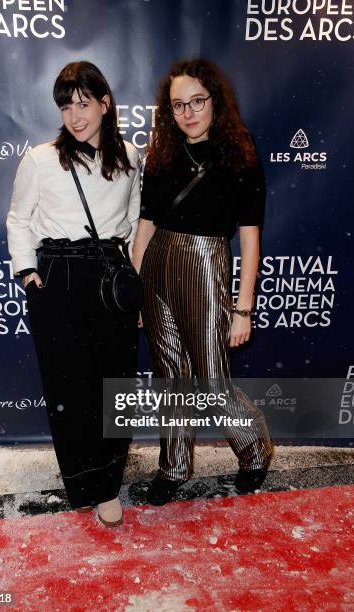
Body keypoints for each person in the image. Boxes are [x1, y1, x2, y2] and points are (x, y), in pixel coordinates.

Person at [132, 58, 274, 506]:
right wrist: (136, 290)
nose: (188, 112)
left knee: (211, 381)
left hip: (205, 263)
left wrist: (242, 307)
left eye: (197, 101)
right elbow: (146, 227)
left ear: (215, 100)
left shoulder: (240, 153)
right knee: (170, 376)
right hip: (157, 264)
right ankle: (172, 467)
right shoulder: (164, 152)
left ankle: (255, 450)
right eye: (178, 105)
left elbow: (250, 239)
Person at [7, 61, 141, 526]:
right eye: (66, 105)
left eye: (84, 103)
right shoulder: (41, 159)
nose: (75, 115)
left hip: (111, 275)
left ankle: (108, 484)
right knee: (68, 387)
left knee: (114, 387)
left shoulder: (129, 155)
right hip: (58, 275)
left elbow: (136, 224)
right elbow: (18, 219)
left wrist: (134, 283)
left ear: (105, 103)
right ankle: (83, 483)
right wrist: (28, 272)